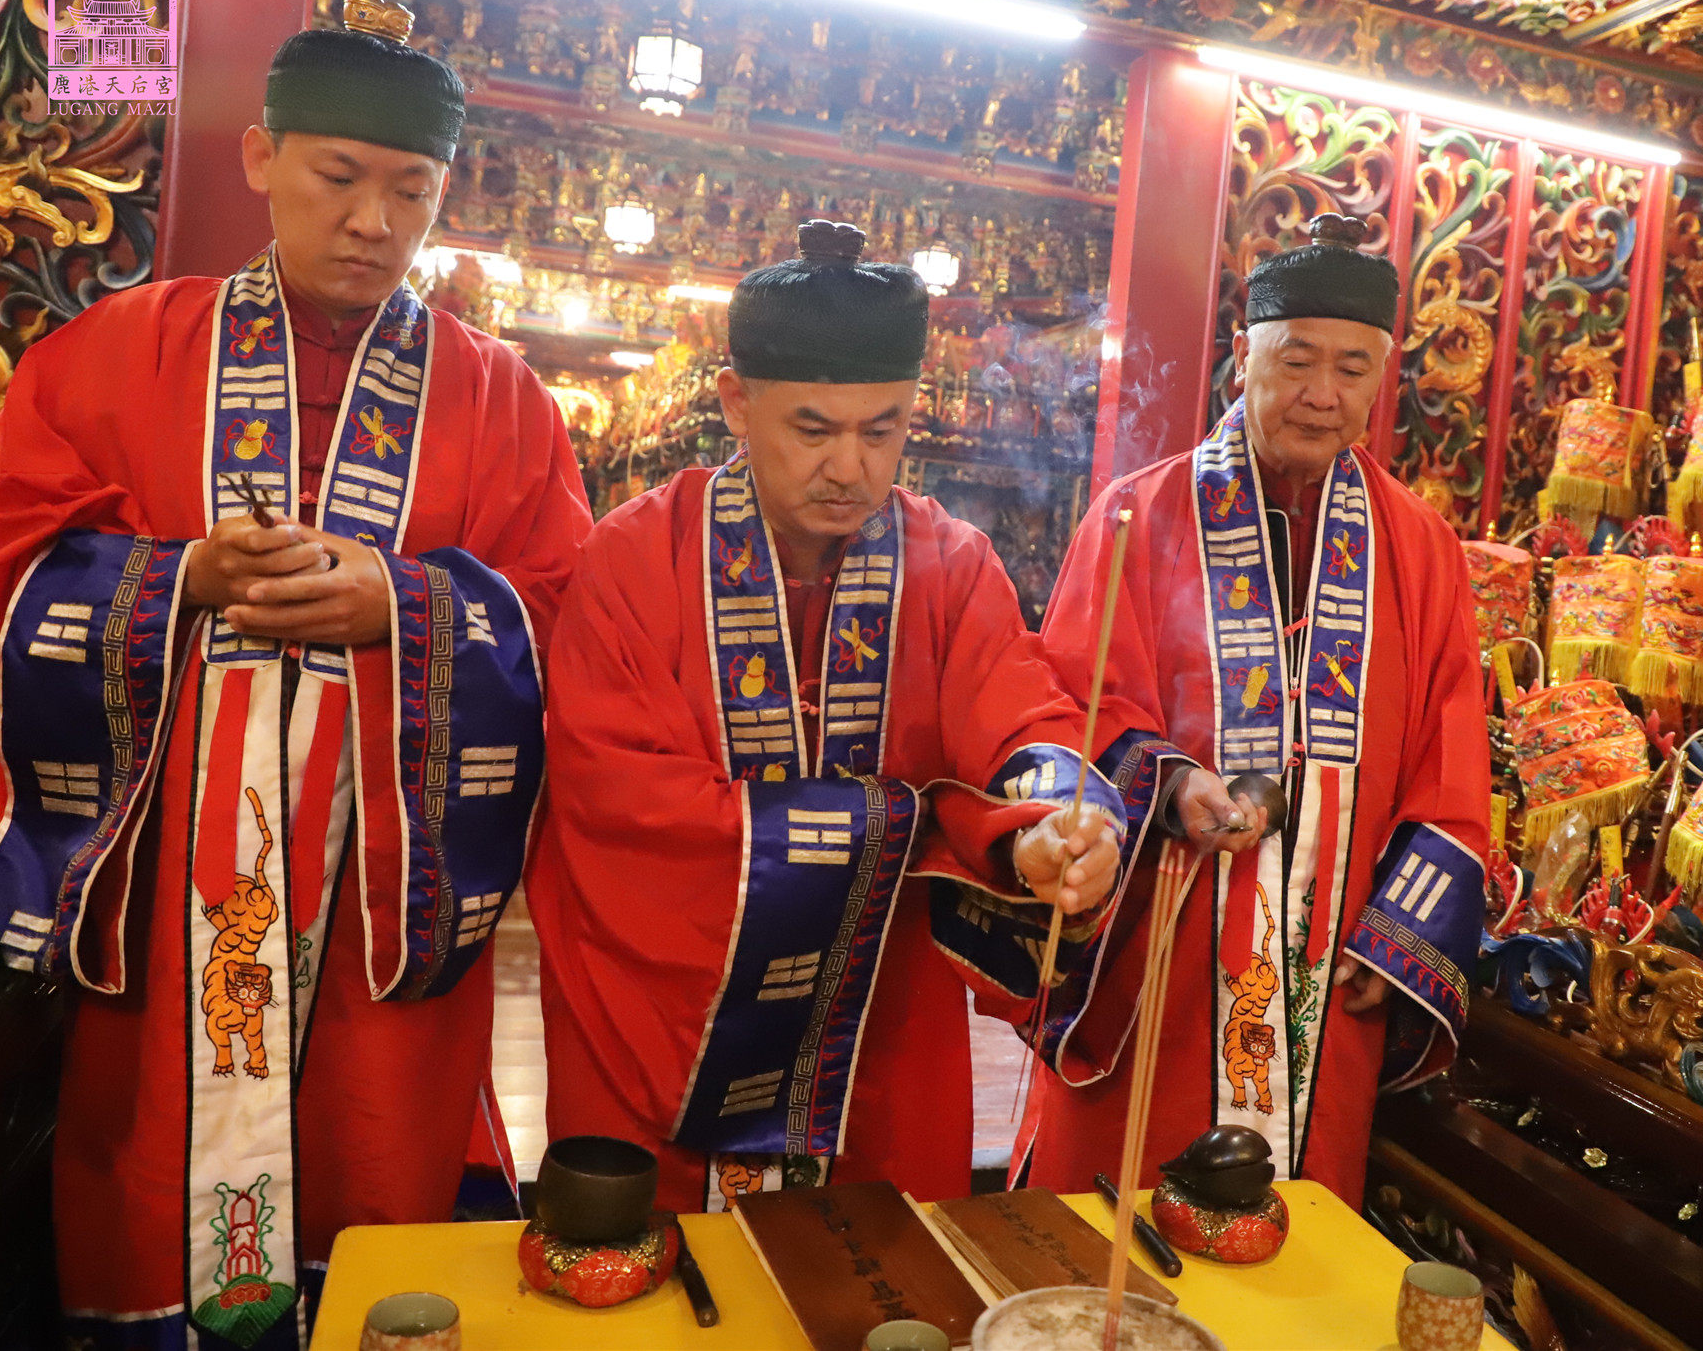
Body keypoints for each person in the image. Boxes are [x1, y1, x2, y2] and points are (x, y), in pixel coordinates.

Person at [0, 0, 591, 1350]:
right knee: (151, 1148)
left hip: (386, 888)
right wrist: (178, 579)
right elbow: (10, 552)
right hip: (165, 884)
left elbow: (564, 612)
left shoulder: (504, 402)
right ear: (262, 158)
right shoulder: (116, 352)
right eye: (338, 176)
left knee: (374, 1156)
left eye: (411, 190)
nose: (374, 221)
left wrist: (405, 602)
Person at [528, 219, 1170, 1214]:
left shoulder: (951, 564)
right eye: (814, 429)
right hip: (669, 1023)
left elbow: (1020, 711)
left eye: (883, 430)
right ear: (736, 403)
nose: (850, 469)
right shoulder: (634, 558)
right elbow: (616, 799)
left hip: (881, 1022)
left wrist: (1052, 818)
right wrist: (928, 830)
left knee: (880, 1270)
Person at [998, 213, 1488, 1208]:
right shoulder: (1137, 515)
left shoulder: (1421, 548)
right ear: (1242, 356)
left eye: (1352, 367)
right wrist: (1172, 784)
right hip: (1165, 944)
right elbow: (1071, 703)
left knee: (1296, 1235)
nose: (1322, 392)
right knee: (1115, 1218)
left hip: (1330, 961)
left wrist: (1401, 940)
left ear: (1381, 377)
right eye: (1296, 360)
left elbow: (1451, 752)